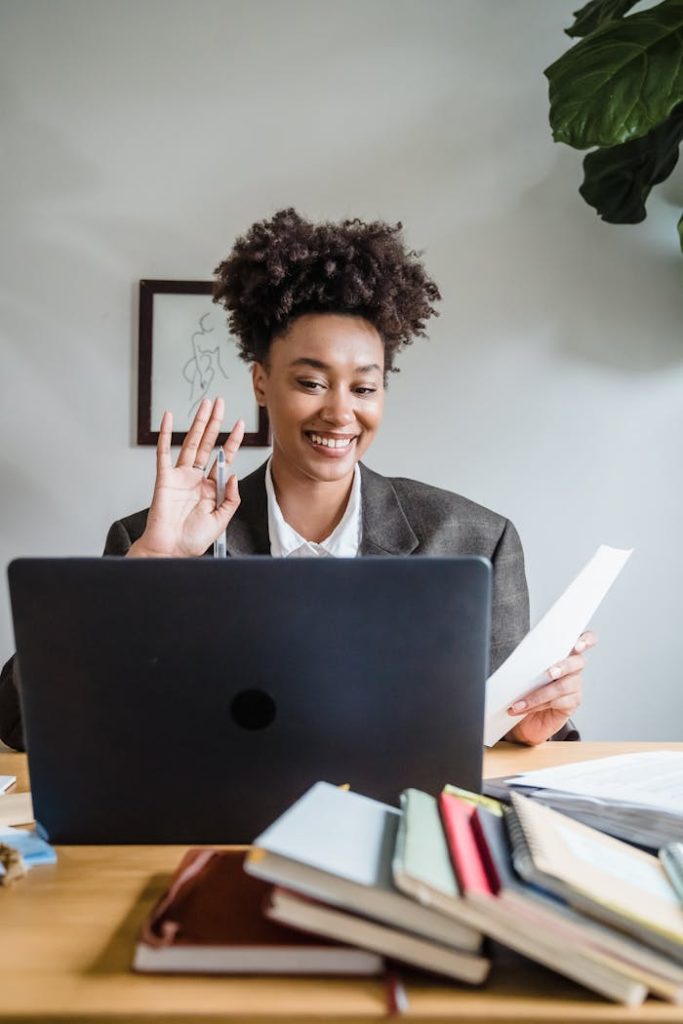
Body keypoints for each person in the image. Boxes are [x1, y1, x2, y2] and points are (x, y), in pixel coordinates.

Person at [0, 208, 594, 751]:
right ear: (261, 383)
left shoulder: (473, 540)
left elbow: (509, 736)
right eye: (311, 383)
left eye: (364, 387)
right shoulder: (152, 540)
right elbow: (23, 725)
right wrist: (147, 570)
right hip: (215, 829)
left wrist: (535, 728)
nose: (340, 413)